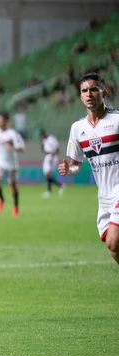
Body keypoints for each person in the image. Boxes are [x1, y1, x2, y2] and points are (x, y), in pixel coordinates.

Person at [59, 73, 119, 264]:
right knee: (114, 250)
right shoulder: (77, 128)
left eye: (94, 89)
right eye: (85, 91)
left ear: (104, 92)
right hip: (104, 196)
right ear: (80, 96)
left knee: (113, 240)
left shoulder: (117, 120)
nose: (89, 94)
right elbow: (76, 164)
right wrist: (69, 170)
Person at [0, 111, 25, 216]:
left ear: (6, 121)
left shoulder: (12, 134)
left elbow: (22, 147)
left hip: (10, 164)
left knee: (13, 187)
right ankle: (1, 199)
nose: (0, 123)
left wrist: (12, 148)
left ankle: (16, 206)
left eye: (2, 121)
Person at [40, 129, 65, 198]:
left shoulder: (51, 138)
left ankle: (56, 187)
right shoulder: (44, 141)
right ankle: (54, 189)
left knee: (48, 174)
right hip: (48, 156)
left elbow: (57, 148)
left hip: (52, 156)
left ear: (45, 134)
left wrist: (52, 157)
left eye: (43, 135)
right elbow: (43, 150)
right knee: (47, 175)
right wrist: (42, 143)